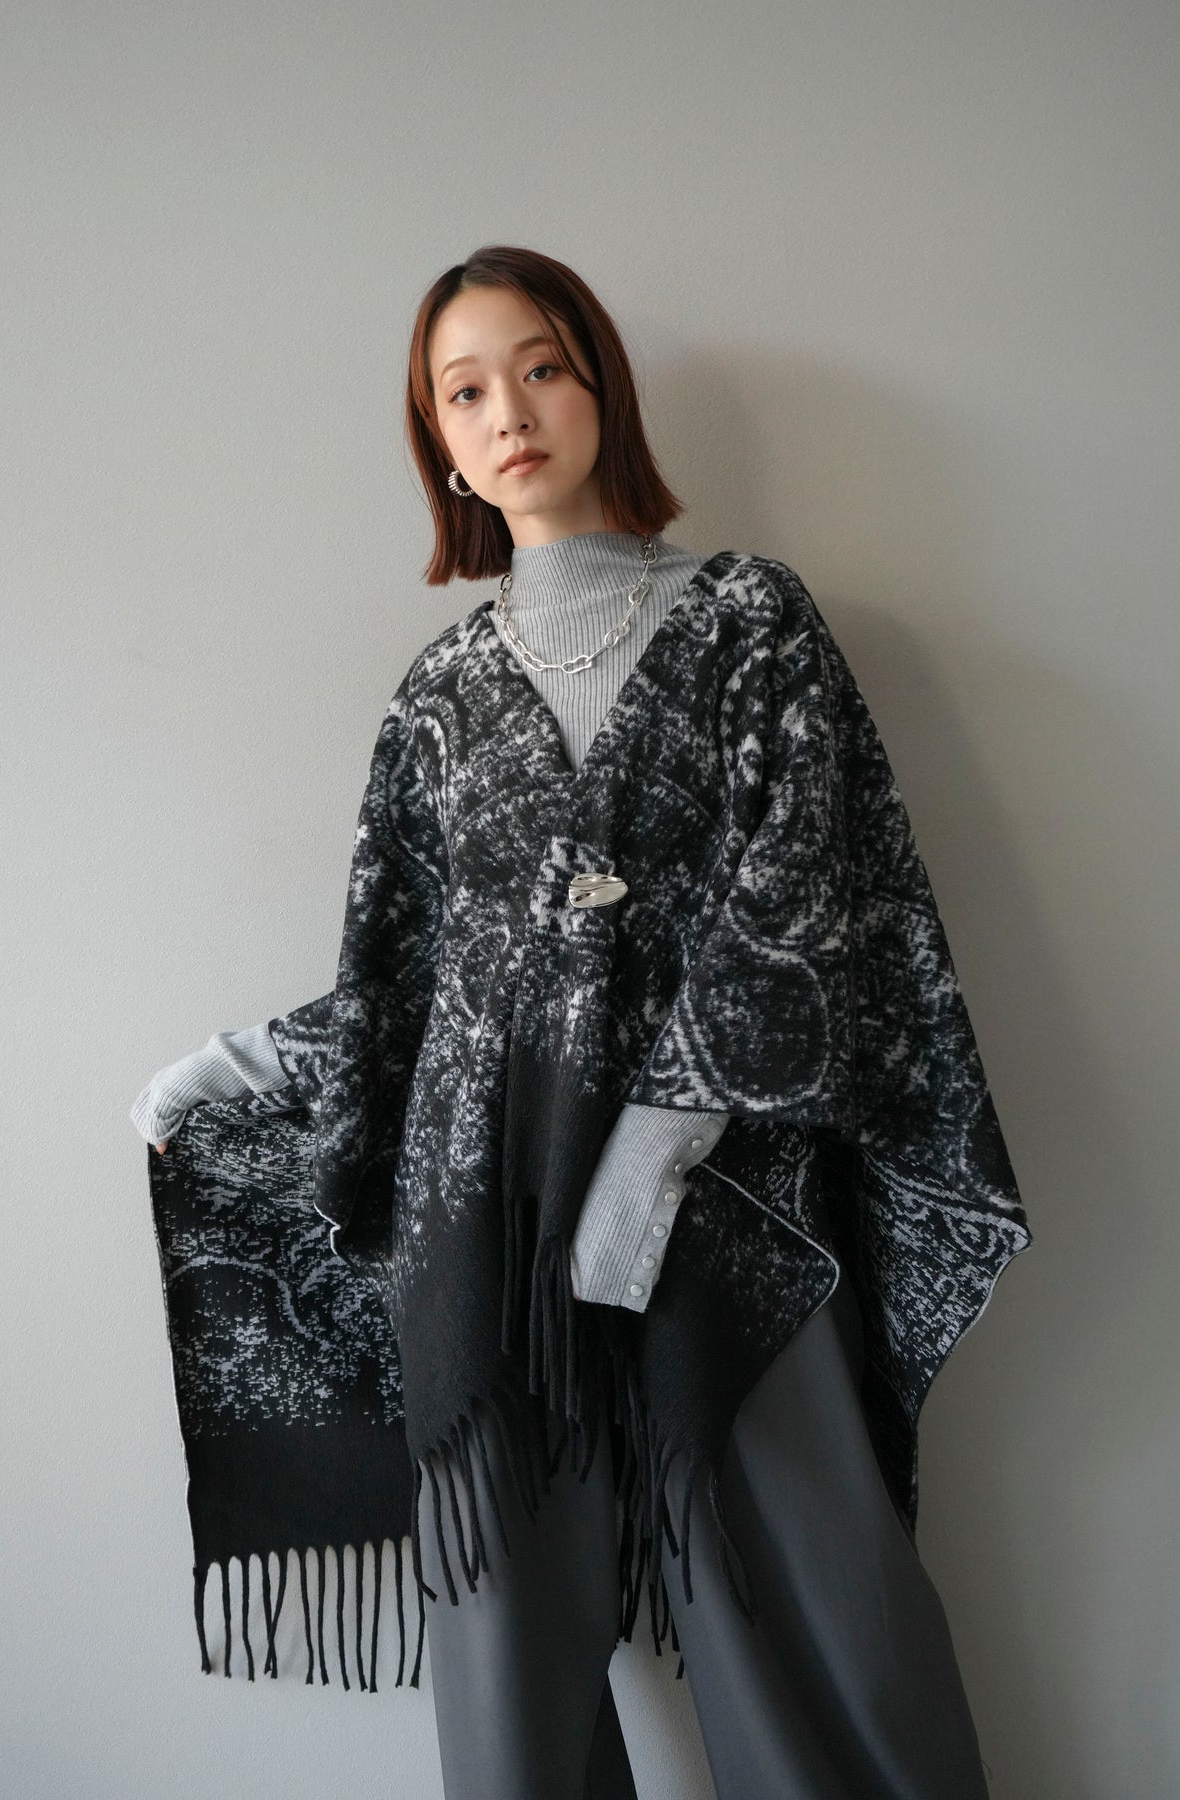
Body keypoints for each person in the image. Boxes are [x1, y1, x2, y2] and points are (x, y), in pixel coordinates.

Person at [132, 245, 1018, 1798]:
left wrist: (654, 1160)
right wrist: (238, 1070)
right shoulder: (436, 696)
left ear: (597, 382)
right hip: (482, 1225)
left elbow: (800, 901)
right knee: (506, 1660)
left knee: (816, 1621)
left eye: (539, 367)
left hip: (725, 1211)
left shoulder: (748, 619)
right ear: (438, 442)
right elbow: (415, 978)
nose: (509, 413)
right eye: (463, 392)